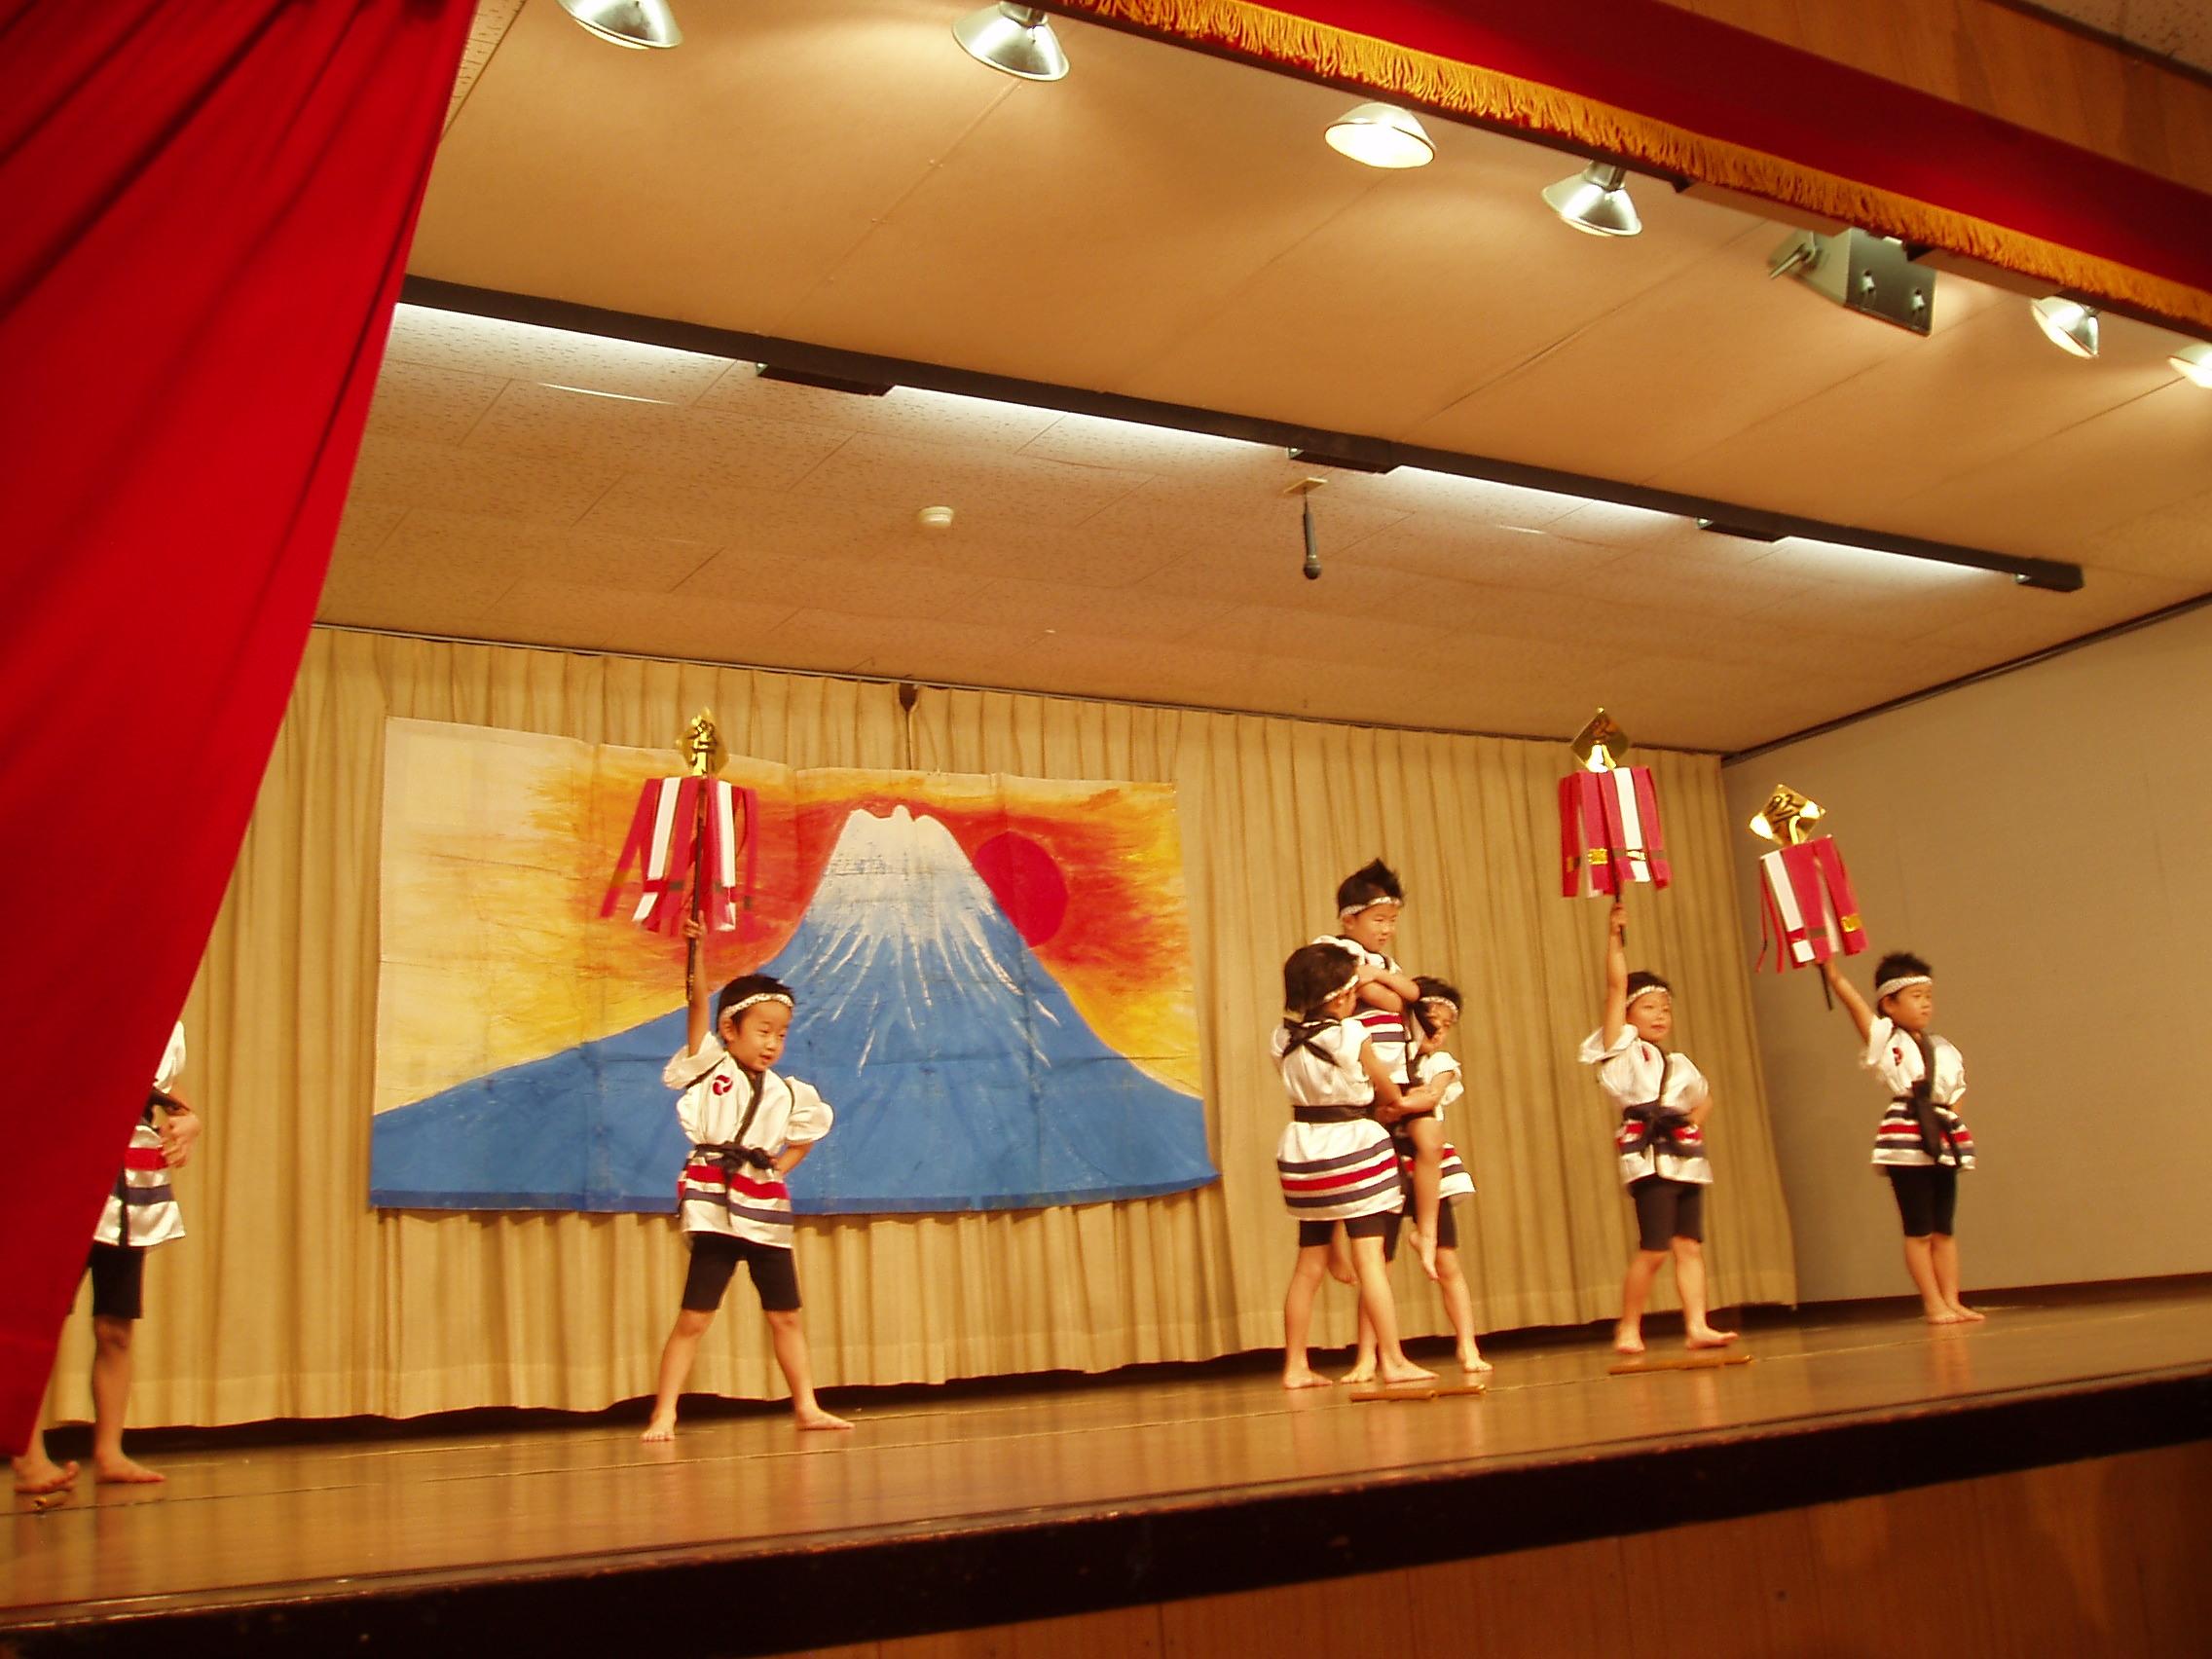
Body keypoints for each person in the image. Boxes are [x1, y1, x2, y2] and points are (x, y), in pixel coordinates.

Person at [643, 931, 852, 1439]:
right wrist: (697, 953)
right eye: (763, 1031)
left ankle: (806, 1407)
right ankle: (664, 1412)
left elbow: (807, 1135)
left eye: (781, 1034)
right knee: (695, 1317)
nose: (772, 1043)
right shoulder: (710, 1064)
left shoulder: (786, 1091)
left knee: (786, 1316)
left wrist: (778, 1168)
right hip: (715, 1202)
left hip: (763, 1207)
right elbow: (697, 1002)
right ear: (729, 1029)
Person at [13, 1021, 202, 1493]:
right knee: (41, 1325)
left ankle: (110, 1451)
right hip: (68, 1175)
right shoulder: (88, 1004)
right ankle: (28, 1457)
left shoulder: (162, 1020)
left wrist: (191, 1118)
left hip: (131, 1188)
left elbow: (163, 1087)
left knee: (116, 1325)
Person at [1273, 941, 1437, 1389]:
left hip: (1303, 1152)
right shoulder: (1350, 1033)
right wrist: (1406, 1101)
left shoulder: (1281, 1038)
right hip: (1352, 1148)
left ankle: (1295, 1366)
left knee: (1308, 1266)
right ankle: (1394, 1360)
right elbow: (1389, 1091)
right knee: (1371, 1260)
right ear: (1342, 996)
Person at [1581, 902, 1738, 1356]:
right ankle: (1628, 1327)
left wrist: (1691, 1125)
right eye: (1648, 1006)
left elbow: (1705, 1098)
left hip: (1684, 1155)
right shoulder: (1621, 1049)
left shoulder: (1679, 1063)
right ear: (1628, 1014)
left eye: (1665, 1008)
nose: (1659, 1015)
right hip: (1647, 1155)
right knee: (1654, 1248)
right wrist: (1615, 936)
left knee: (1689, 1246)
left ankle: (1697, 1325)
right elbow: (1615, 987)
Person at [1821, 951, 1982, 1325]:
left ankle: (1952, 1299)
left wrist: (1949, 1122)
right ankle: (1933, 1303)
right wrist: (1832, 972)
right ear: (1889, 1003)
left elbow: (1958, 1089)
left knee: (1944, 1230)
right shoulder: (1885, 1038)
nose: (1925, 1004)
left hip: (1940, 1135)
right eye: (1916, 996)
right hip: (1906, 1136)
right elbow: (1855, 1004)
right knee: (1919, 1229)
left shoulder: (1944, 1047)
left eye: (1928, 996)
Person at [1345, 977, 1491, 1379]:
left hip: (1426, 1169)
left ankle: (1468, 1346)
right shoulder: (1379, 1062)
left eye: (1446, 1024)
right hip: (1384, 1165)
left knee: (1448, 1261)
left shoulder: (1438, 1064)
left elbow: (1431, 1094)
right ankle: (1366, 1357)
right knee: (1379, 1266)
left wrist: (1398, 1106)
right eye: (1430, 1020)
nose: (1437, 1030)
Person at [1315, 859, 1441, 1278]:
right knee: (1353, 1165)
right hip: (1364, 1077)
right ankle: (1333, 1241)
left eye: (1392, 920)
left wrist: (1382, 979)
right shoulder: (1338, 952)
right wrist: (1384, 986)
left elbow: (1413, 994)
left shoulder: (1385, 963)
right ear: (1349, 920)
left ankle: (1427, 1231)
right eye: (1378, 920)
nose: (1387, 929)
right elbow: (1388, 1000)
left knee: (1431, 1140)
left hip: (1400, 1072)